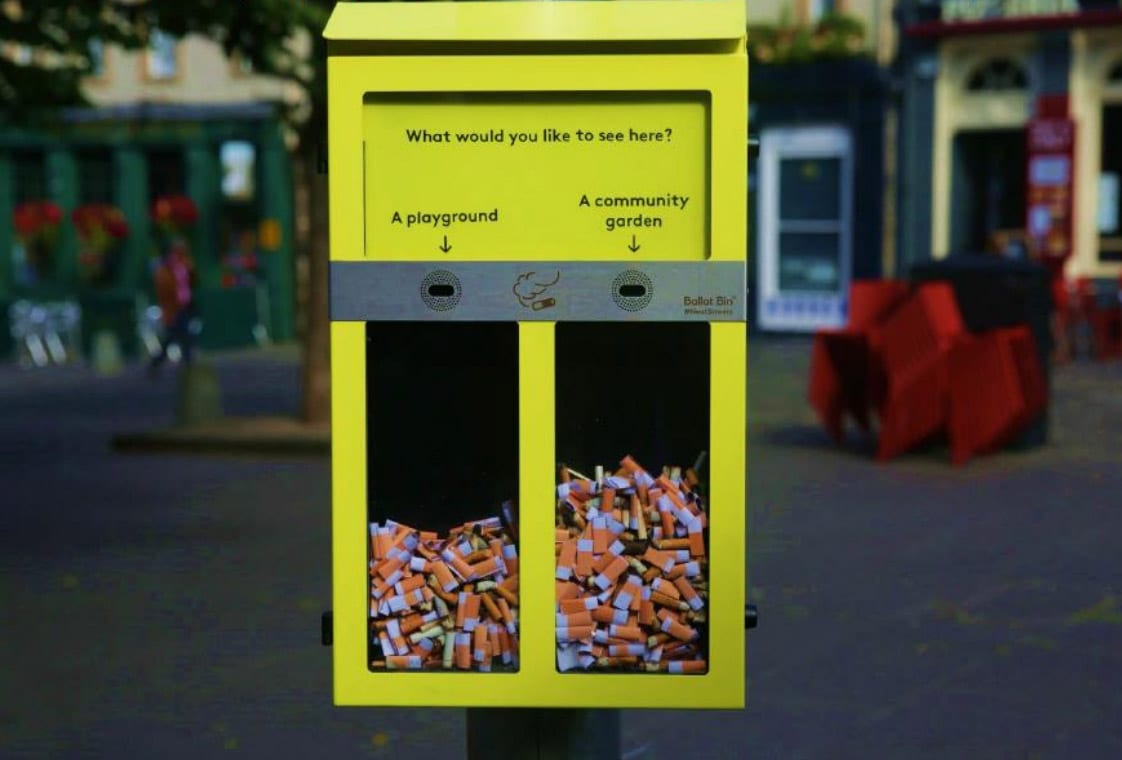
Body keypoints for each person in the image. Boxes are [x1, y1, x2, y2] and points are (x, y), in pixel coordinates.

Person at [149, 239, 197, 373]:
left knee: (179, 337)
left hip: (185, 306)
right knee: (177, 337)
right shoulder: (165, 270)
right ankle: (185, 364)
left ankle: (185, 364)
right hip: (174, 309)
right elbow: (164, 290)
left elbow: (191, 281)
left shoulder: (185, 265)